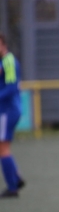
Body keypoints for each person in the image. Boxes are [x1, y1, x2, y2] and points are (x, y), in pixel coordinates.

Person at [0, 33, 25, 198]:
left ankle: (12, 187)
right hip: (6, 110)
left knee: (3, 148)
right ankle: (16, 178)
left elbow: (12, 87)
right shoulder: (4, 61)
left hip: (8, 111)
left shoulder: (8, 60)